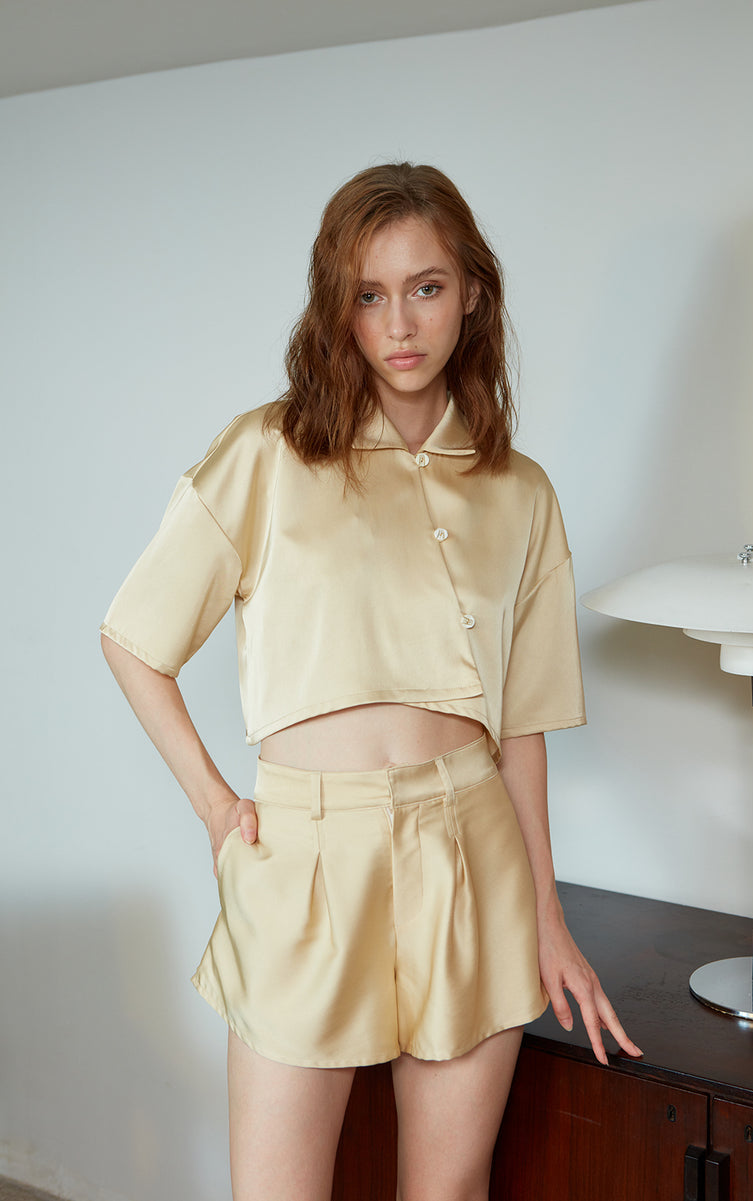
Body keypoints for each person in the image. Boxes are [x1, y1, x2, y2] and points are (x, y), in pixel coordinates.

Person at [101, 162, 641, 1201]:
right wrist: (216, 807)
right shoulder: (268, 452)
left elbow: (521, 725)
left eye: (426, 287)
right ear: (335, 305)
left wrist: (547, 916)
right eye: (369, 294)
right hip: (306, 856)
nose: (399, 324)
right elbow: (135, 640)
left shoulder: (520, 491)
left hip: (472, 851)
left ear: (471, 291)